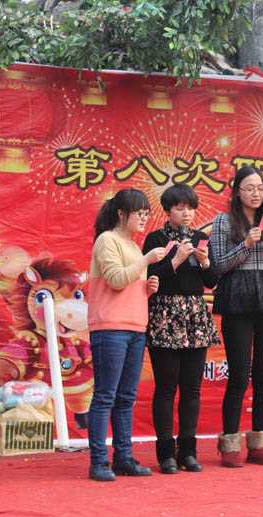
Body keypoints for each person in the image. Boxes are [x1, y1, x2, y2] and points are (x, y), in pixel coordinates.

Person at [210, 165, 263, 467]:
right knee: (239, 373)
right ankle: (230, 443)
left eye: (260, 188)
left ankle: (259, 443)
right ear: (237, 191)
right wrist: (246, 244)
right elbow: (218, 265)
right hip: (237, 297)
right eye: (249, 188)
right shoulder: (223, 221)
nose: (256, 193)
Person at [87, 188, 166, 481]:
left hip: (135, 327)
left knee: (126, 397)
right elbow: (116, 280)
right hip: (110, 327)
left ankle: (123, 457)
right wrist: (146, 261)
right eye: (139, 213)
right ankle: (99, 461)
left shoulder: (133, 246)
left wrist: (147, 288)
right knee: (105, 395)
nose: (144, 218)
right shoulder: (107, 240)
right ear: (121, 214)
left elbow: (127, 284)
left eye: (146, 213)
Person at [143, 184, 219, 474]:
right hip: (165, 313)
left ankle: (188, 451)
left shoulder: (200, 238)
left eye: (190, 208)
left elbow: (211, 281)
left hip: (195, 315)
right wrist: (175, 260)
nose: (186, 213)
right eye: (179, 208)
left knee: (192, 388)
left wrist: (205, 261)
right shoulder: (156, 239)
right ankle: (166, 453)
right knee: (166, 387)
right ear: (168, 211)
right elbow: (149, 276)